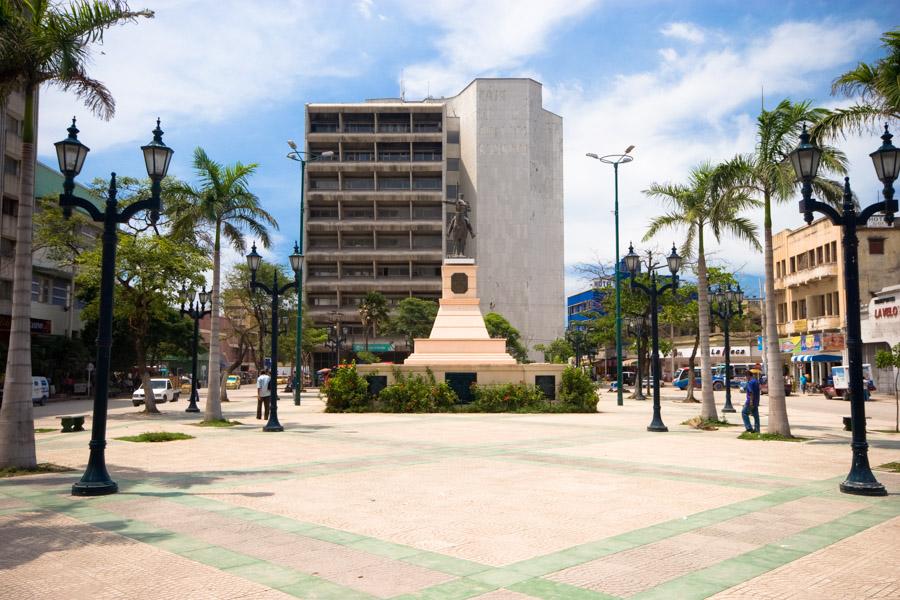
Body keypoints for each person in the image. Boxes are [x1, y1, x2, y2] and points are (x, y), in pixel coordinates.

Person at [743, 369, 761, 433]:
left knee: (744, 413)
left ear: (748, 376)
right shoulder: (756, 381)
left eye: (746, 376)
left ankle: (749, 428)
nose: (745, 378)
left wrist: (750, 402)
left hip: (750, 401)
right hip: (756, 401)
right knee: (756, 416)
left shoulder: (750, 383)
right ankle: (757, 430)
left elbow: (751, 392)